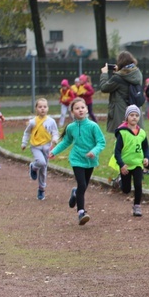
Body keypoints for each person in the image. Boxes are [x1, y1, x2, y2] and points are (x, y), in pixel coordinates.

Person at [49, 97, 106, 226]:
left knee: (83, 186)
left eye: (82, 107)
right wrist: (54, 151)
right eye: (77, 108)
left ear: (86, 109)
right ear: (72, 112)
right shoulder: (71, 127)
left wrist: (94, 151)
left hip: (90, 160)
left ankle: (75, 193)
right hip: (76, 159)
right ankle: (81, 212)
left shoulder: (93, 126)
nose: (80, 110)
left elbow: (101, 142)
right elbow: (66, 142)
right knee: (81, 184)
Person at [109, 105, 149, 217]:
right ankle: (120, 180)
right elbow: (117, 151)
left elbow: (146, 147)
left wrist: (146, 157)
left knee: (138, 184)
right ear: (127, 117)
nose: (134, 117)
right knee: (126, 190)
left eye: (137, 115)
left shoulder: (142, 133)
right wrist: (121, 165)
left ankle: (137, 206)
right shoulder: (122, 133)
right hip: (125, 165)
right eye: (131, 115)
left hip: (137, 163)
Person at [21, 98, 60, 200]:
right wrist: (24, 143)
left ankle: (41, 189)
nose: (42, 109)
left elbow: (55, 132)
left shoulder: (51, 121)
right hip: (36, 147)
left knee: (43, 169)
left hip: (47, 147)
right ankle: (33, 166)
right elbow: (27, 132)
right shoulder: (33, 122)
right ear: (36, 109)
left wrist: (55, 139)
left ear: (47, 108)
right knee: (41, 163)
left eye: (45, 107)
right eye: (40, 107)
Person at [100, 50, 143, 133]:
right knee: (133, 135)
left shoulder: (118, 78)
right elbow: (125, 82)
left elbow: (104, 88)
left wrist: (104, 74)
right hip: (134, 109)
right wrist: (117, 72)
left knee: (121, 136)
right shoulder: (137, 74)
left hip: (121, 111)